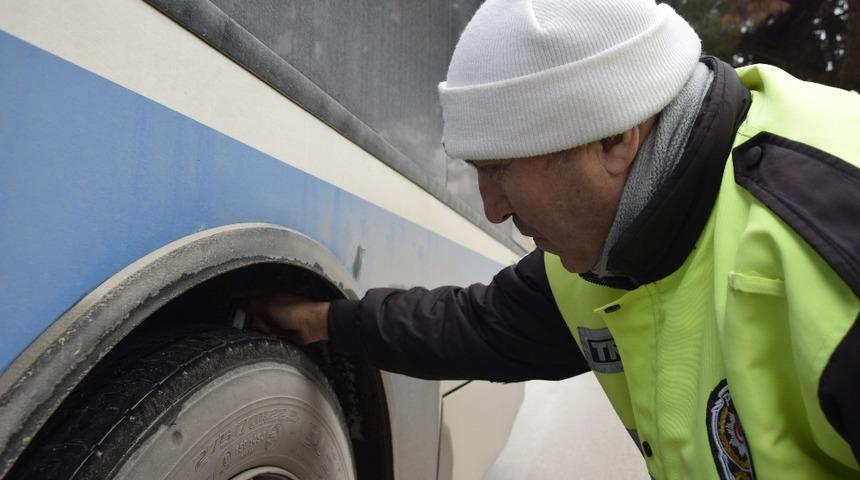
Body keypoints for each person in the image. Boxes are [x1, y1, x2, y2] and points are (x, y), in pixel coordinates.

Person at [247, 0, 860, 478]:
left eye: (501, 170)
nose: (490, 210)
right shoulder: (606, 246)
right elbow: (478, 326)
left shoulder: (829, 246)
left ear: (616, 139)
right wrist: (328, 320)